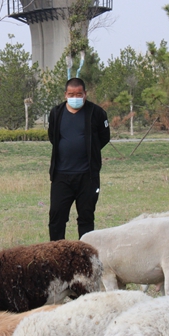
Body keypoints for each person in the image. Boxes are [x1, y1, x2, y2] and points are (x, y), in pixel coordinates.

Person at [48, 77, 110, 241]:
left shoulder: (96, 113)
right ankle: (56, 255)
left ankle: (85, 255)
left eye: (79, 94)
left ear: (85, 94)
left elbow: (104, 137)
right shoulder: (56, 113)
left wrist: (90, 151)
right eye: (71, 94)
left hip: (87, 176)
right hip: (61, 175)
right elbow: (53, 137)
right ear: (65, 94)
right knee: (57, 217)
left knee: (86, 217)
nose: (75, 98)